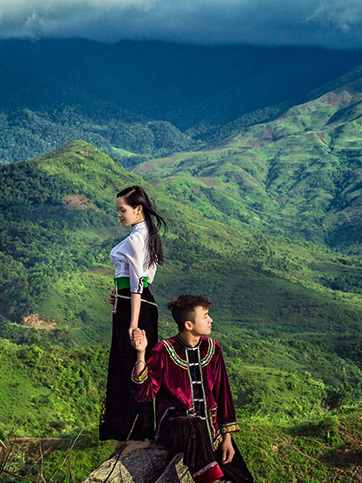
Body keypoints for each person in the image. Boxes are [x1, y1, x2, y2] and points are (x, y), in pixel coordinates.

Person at [130, 295, 253, 483]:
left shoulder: (213, 349)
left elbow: (223, 394)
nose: (210, 320)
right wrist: (141, 353)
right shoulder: (163, 351)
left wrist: (226, 437)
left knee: (243, 478)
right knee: (194, 424)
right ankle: (208, 479)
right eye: (205, 316)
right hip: (176, 428)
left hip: (211, 431)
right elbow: (144, 392)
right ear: (189, 324)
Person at [100, 185, 167, 453]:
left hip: (135, 308)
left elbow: (139, 281)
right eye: (118, 209)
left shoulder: (138, 237)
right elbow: (133, 277)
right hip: (130, 303)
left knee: (134, 370)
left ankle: (141, 435)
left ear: (138, 209)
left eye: (123, 209)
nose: (119, 214)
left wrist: (133, 323)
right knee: (123, 367)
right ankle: (128, 432)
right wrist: (119, 290)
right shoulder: (143, 233)